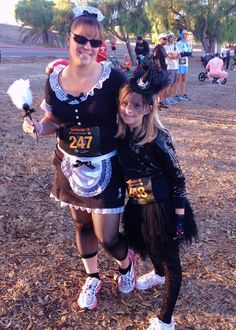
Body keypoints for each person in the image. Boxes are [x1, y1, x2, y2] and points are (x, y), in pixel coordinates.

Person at [22, 5, 136, 311]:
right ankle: (93, 277)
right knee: (81, 227)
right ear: (68, 38)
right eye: (81, 39)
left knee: (107, 236)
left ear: (101, 46)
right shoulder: (55, 80)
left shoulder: (113, 78)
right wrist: (37, 127)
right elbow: (53, 122)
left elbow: (133, 110)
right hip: (69, 167)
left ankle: (126, 264)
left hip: (106, 168)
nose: (87, 47)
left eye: (95, 42)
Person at [116, 67, 198, 329]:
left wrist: (179, 219)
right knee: (149, 247)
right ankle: (159, 275)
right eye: (125, 103)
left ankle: (166, 320)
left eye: (136, 105)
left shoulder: (158, 138)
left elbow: (179, 179)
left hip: (162, 208)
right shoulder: (122, 134)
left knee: (170, 259)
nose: (128, 109)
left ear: (149, 108)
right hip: (138, 204)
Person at [153, 33, 169, 109]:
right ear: (160, 40)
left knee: (163, 86)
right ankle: (155, 103)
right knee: (158, 88)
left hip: (165, 69)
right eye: (164, 39)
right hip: (160, 70)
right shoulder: (157, 48)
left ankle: (160, 102)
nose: (166, 40)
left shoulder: (163, 48)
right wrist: (159, 70)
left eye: (166, 39)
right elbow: (156, 59)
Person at [164, 33, 180, 105]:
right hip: (170, 67)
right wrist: (174, 56)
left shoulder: (176, 46)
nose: (173, 39)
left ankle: (170, 97)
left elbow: (179, 55)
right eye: (171, 37)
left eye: (173, 37)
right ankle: (166, 98)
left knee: (174, 83)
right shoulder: (166, 47)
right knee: (169, 83)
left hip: (176, 66)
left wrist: (175, 56)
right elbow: (170, 56)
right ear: (168, 38)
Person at [176, 30, 192, 101]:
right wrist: (186, 53)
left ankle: (182, 93)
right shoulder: (178, 43)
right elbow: (180, 54)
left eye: (186, 34)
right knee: (178, 79)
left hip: (185, 63)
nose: (185, 35)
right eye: (184, 34)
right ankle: (175, 94)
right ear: (181, 35)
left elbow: (190, 53)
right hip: (180, 63)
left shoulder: (188, 43)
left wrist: (186, 53)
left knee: (184, 79)